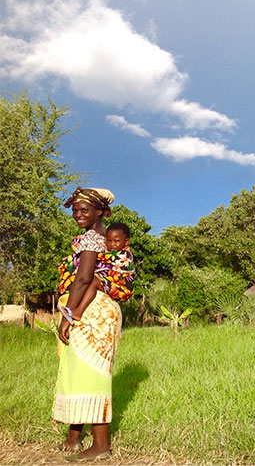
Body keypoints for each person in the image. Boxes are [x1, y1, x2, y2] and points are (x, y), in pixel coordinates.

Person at [55, 187, 122, 462]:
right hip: (92, 310)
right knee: (77, 372)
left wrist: (68, 315)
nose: (78, 215)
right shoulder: (95, 236)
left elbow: (83, 280)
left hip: (91, 312)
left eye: (85, 210)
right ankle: (73, 438)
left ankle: (101, 446)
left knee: (91, 375)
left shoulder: (93, 238)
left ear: (100, 212)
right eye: (75, 210)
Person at [59, 222, 135, 323]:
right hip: (110, 284)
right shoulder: (109, 252)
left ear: (126, 242)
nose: (112, 244)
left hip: (121, 289)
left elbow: (108, 265)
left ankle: (78, 311)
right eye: (109, 241)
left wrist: (89, 255)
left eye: (116, 241)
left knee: (94, 281)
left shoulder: (124, 256)